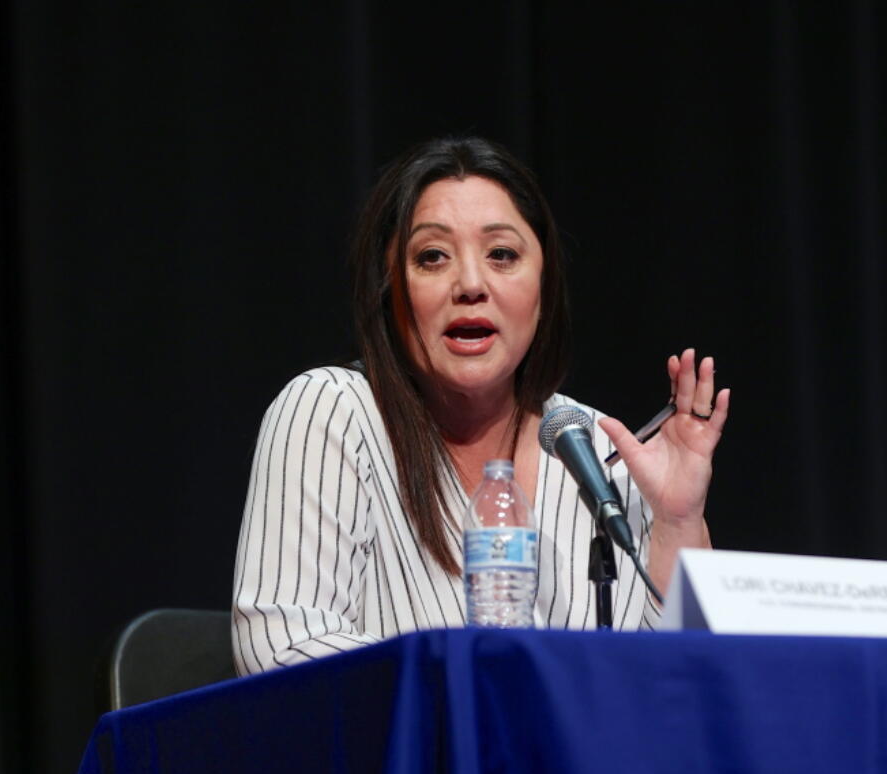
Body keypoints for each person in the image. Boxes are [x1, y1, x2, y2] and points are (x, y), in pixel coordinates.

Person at [231, 136, 730, 675]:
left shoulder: (592, 446)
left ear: (543, 286)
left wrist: (679, 523)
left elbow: (680, 689)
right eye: (431, 257)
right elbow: (280, 646)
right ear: (390, 288)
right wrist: (489, 701)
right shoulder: (333, 412)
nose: (470, 284)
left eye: (501, 255)